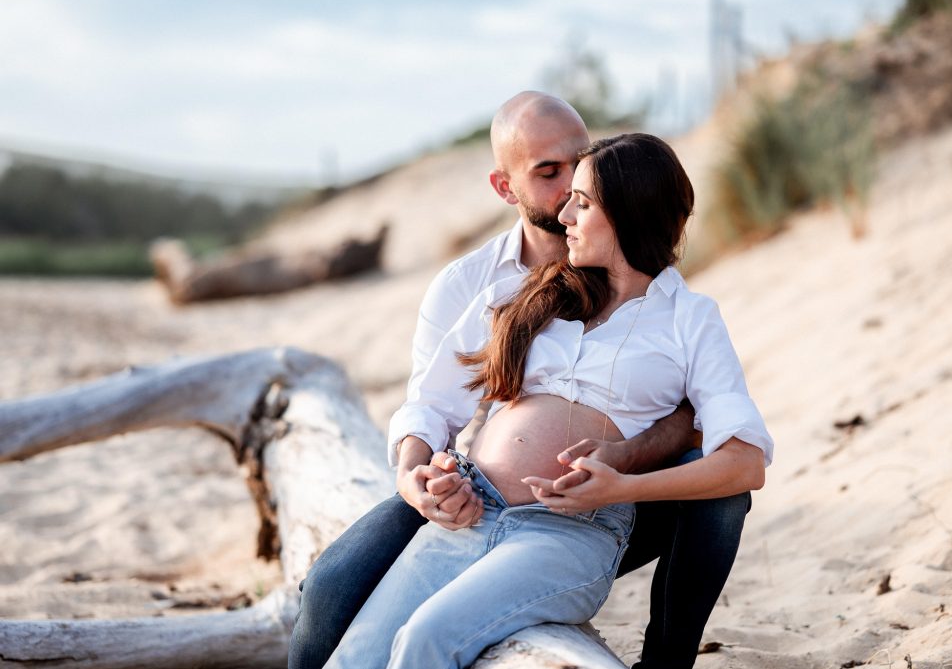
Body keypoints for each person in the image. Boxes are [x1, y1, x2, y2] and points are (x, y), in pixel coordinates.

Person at [288, 93, 766, 669]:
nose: (567, 201)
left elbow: (725, 443)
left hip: (575, 520)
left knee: (425, 640)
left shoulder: (685, 315)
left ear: (625, 206)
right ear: (505, 187)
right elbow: (433, 404)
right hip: (471, 499)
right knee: (346, 630)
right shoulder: (504, 289)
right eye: (549, 174)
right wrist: (423, 473)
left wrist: (621, 474)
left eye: (581, 189)